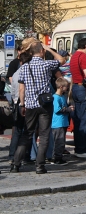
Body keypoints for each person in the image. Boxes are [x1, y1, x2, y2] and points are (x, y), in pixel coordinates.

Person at [11, 41, 65, 174]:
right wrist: (50, 49)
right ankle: (40, 166)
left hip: (30, 105)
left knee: (27, 134)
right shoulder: (47, 64)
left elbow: (21, 88)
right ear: (42, 51)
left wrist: (22, 104)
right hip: (44, 104)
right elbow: (62, 60)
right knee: (44, 134)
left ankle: (15, 164)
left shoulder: (24, 67)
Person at [70, 38, 86, 158]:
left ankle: (79, 147)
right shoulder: (84, 57)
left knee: (78, 120)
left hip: (75, 87)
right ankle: (82, 150)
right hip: (82, 88)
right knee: (85, 119)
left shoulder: (74, 56)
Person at [8, 52, 32, 165]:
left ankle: (12, 155)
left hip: (17, 103)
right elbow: (23, 90)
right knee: (27, 131)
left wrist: (16, 101)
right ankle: (25, 156)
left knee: (17, 131)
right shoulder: (26, 73)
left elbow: (13, 91)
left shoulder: (16, 73)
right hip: (25, 103)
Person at [51, 78, 74, 165]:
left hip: (63, 122)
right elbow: (57, 109)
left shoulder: (63, 97)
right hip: (58, 123)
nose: (67, 88)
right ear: (61, 87)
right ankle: (57, 158)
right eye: (66, 87)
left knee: (61, 141)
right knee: (58, 141)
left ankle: (58, 156)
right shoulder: (56, 98)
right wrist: (68, 109)